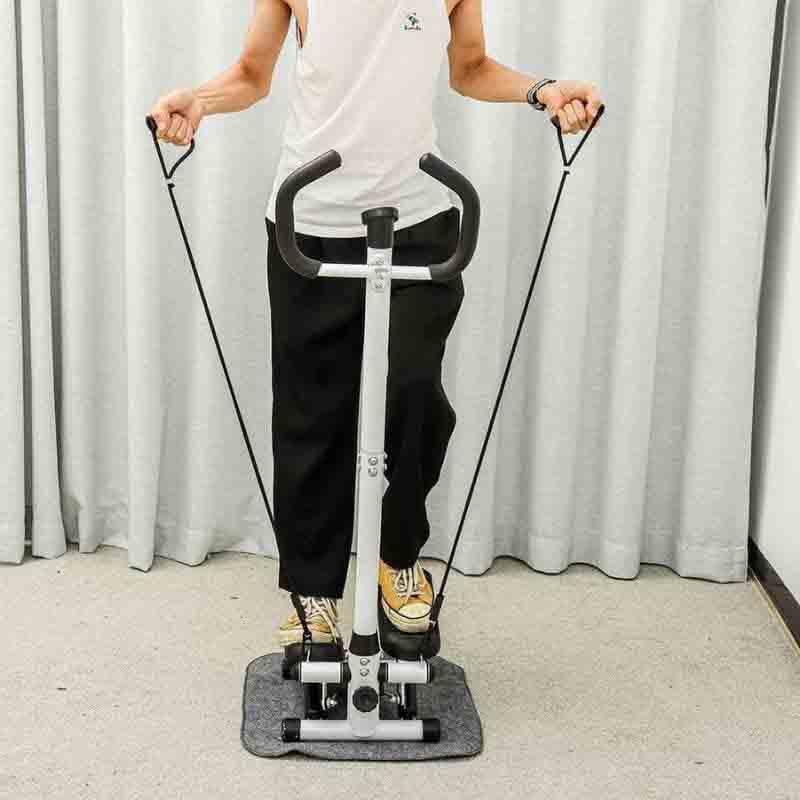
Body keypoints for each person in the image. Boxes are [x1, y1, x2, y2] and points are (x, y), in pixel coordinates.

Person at [148, 0, 604, 648]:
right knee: (312, 415)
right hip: (311, 217)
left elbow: (470, 67)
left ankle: (398, 557)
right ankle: (314, 590)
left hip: (419, 216)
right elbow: (251, 73)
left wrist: (543, 90)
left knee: (416, 395)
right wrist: (197, 100)